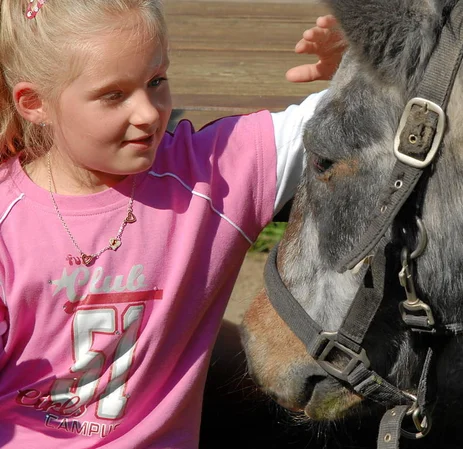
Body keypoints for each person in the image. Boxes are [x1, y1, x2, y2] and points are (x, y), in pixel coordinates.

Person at [0, 0, 345, 447]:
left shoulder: (211, 174)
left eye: (156, 81)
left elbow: (348, 120)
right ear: (34, 103)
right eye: (114, 95)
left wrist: (357, 71)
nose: (148, 112)